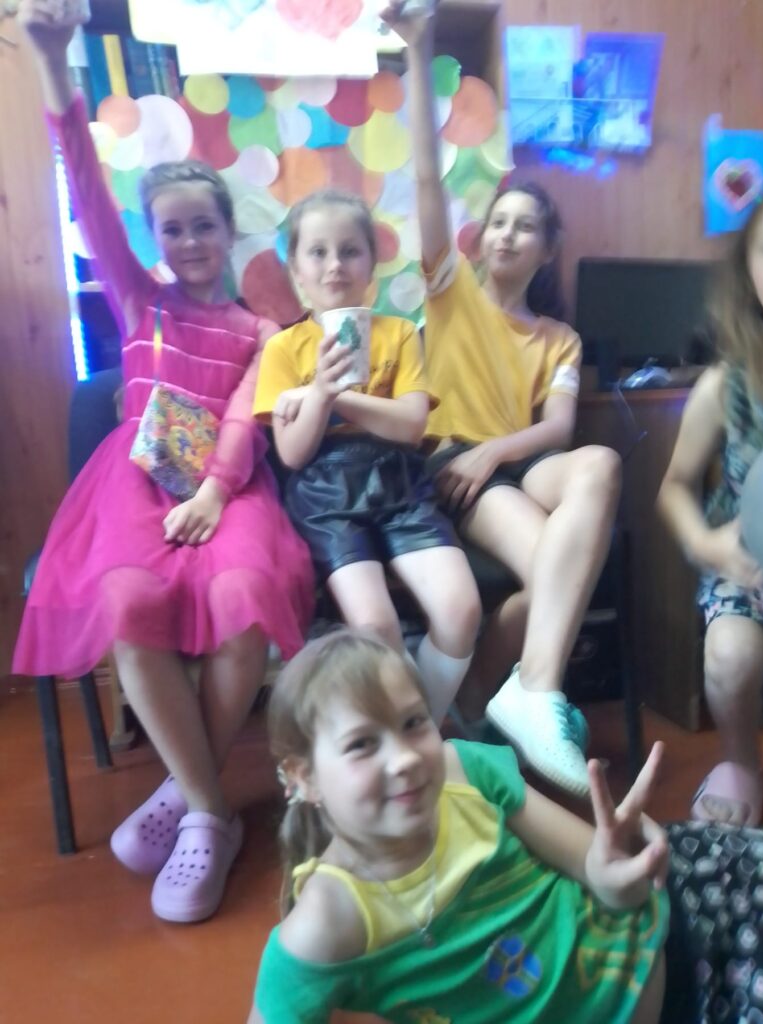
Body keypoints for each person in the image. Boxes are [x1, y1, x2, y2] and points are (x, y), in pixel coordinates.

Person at [13, 0, 315, 922]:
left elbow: (244, 419)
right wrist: (52, 63)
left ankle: (186, 795)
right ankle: (212, 813)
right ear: (154, 239)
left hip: (230, 488)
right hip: (136, 487)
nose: (189, 245)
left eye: (203, 228)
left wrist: (218, 493)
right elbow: (84, 187)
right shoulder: (139, 302)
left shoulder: (260, 331)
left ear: (228, 234)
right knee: (128, 603)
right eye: (173, 230)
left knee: (245, 602)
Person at [380, 1, 623, 798]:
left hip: (513, 459)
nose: (509, 234)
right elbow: (426, 177)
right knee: (557, 567)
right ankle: (510, 700)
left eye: (527, 227)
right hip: (454, 467)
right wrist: (418, 53)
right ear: (480, 240)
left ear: (548, 249)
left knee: (598, 461)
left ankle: (514, 695)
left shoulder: (560, 337)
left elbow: (557, 427)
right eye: (499, 222)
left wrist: (497, 451)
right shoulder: (451, 293)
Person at [250, 629, 669, 1023]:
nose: (405, 759)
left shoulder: (465, 770)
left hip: (646, 954)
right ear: (304, 778)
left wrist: (616, 876)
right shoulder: (326, 920)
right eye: (361, 744)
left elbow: (596, 872)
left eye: (413, 723)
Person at [253, 188, 481, 723]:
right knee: (375, 628)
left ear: (371, 264)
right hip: (325, 496)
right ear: (296, 270)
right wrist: (319, 391)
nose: (335, 265)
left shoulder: (398, 334)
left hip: (401, 485)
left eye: (350, 250)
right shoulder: (283, 348)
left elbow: (411, 425)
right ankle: (414, 734)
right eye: (318, 252)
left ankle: (421, 728)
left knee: (461, 610)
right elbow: (292, 453)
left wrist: (335, 398)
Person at [658, 198, 763, 827]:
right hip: (747, 573)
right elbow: (673, 486)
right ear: (747, 271)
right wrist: (706, 545)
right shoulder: (725, 384)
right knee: (730, 658)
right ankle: (740, 762)